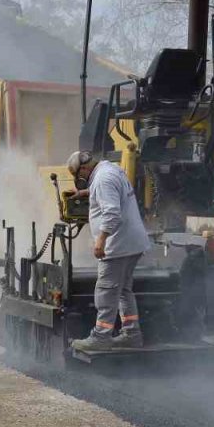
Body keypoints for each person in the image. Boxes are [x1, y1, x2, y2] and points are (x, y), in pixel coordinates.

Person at [66, 150, 152, 352]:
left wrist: (101, 240)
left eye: (78, 175)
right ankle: (131, 334)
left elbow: (112, 213)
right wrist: (85, 193)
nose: (79, 179)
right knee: (123, 290)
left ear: (85, 168)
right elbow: (111, 193)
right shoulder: (110, 169)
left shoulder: (102, 179)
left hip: (117, 244)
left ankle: (101, 337)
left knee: (106, 290)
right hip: (132, 242)